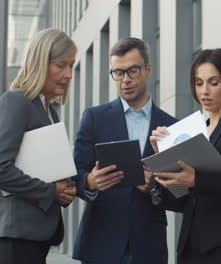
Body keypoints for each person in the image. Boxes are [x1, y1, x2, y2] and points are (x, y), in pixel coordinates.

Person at [150, 48, 221, 264]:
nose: (205, 91)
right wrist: (161, 165)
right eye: (199, 82)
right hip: (191, 245)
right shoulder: (194, 130)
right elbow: (185, 200)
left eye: (214, 82)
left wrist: (196, 179)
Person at [72, 37, 177, 264]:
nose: (125, 80)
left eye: (133, 71)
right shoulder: (94, 119)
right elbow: (75, 175)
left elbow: (182, 196)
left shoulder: (171, 127)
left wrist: (154, 188)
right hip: (101, 243)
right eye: (118, 73)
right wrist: (90, 182)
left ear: (148, 70)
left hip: (148, 246)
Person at [0, 28, 78, 264]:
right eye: (61, 65)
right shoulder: (16, 102)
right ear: (40, 62)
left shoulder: (50, 110)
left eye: (71, 66)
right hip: (12, 241)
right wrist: (51, 191)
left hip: (34, 240)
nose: (68, 74)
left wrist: (64, 191)